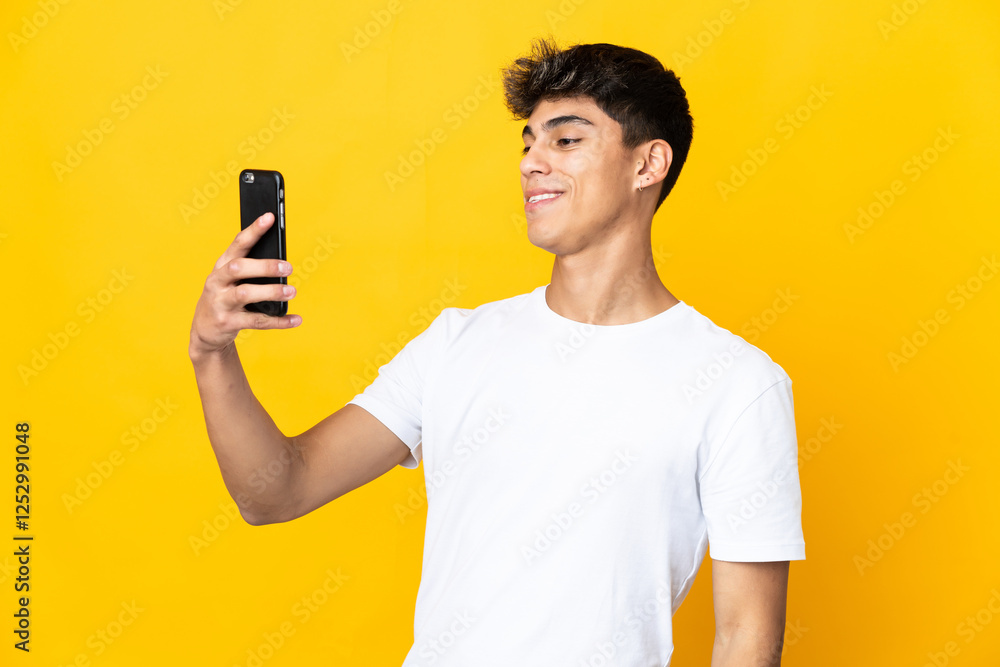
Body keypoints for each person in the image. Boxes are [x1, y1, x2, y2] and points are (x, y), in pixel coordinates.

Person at [189, 37, 805, 667]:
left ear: (648, 164)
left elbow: (745, 640)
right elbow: (276, 492)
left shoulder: (737, 383)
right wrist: (213, 354)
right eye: (529, 142)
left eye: (566, 140)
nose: (533, 161)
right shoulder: (456, 344)